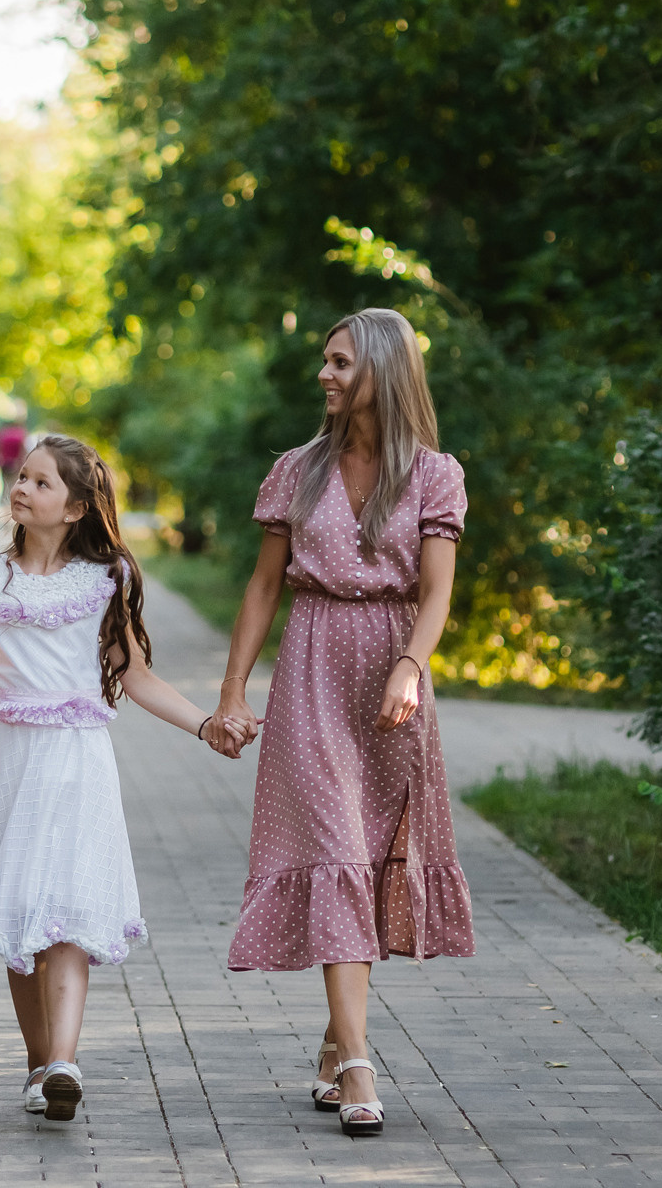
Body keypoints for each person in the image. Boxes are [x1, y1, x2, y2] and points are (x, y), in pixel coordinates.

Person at [0, 436, 251, 1123]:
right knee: (19, 911)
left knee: (65, 912)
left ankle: (63, 1060)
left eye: (41, 482)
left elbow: (135, 676)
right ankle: (39, 1067)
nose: (22, 488)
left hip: (78, 766)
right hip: (8, 766)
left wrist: (205, 724)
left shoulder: (104, 580)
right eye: (21, 476)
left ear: (77, 507)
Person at [208, 307, 475, 1138]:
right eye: (324, 361)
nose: (324, 374)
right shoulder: (296, 469)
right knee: (333, 845)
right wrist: (232, 691)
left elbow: (438, 591)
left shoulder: (434, 474)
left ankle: (334, 1039)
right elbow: (264, 585)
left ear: (383, 372)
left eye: (340, 362)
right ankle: (359, 1063)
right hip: (313, 667)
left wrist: (412, 664)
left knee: (366, 856)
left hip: (392, 673)